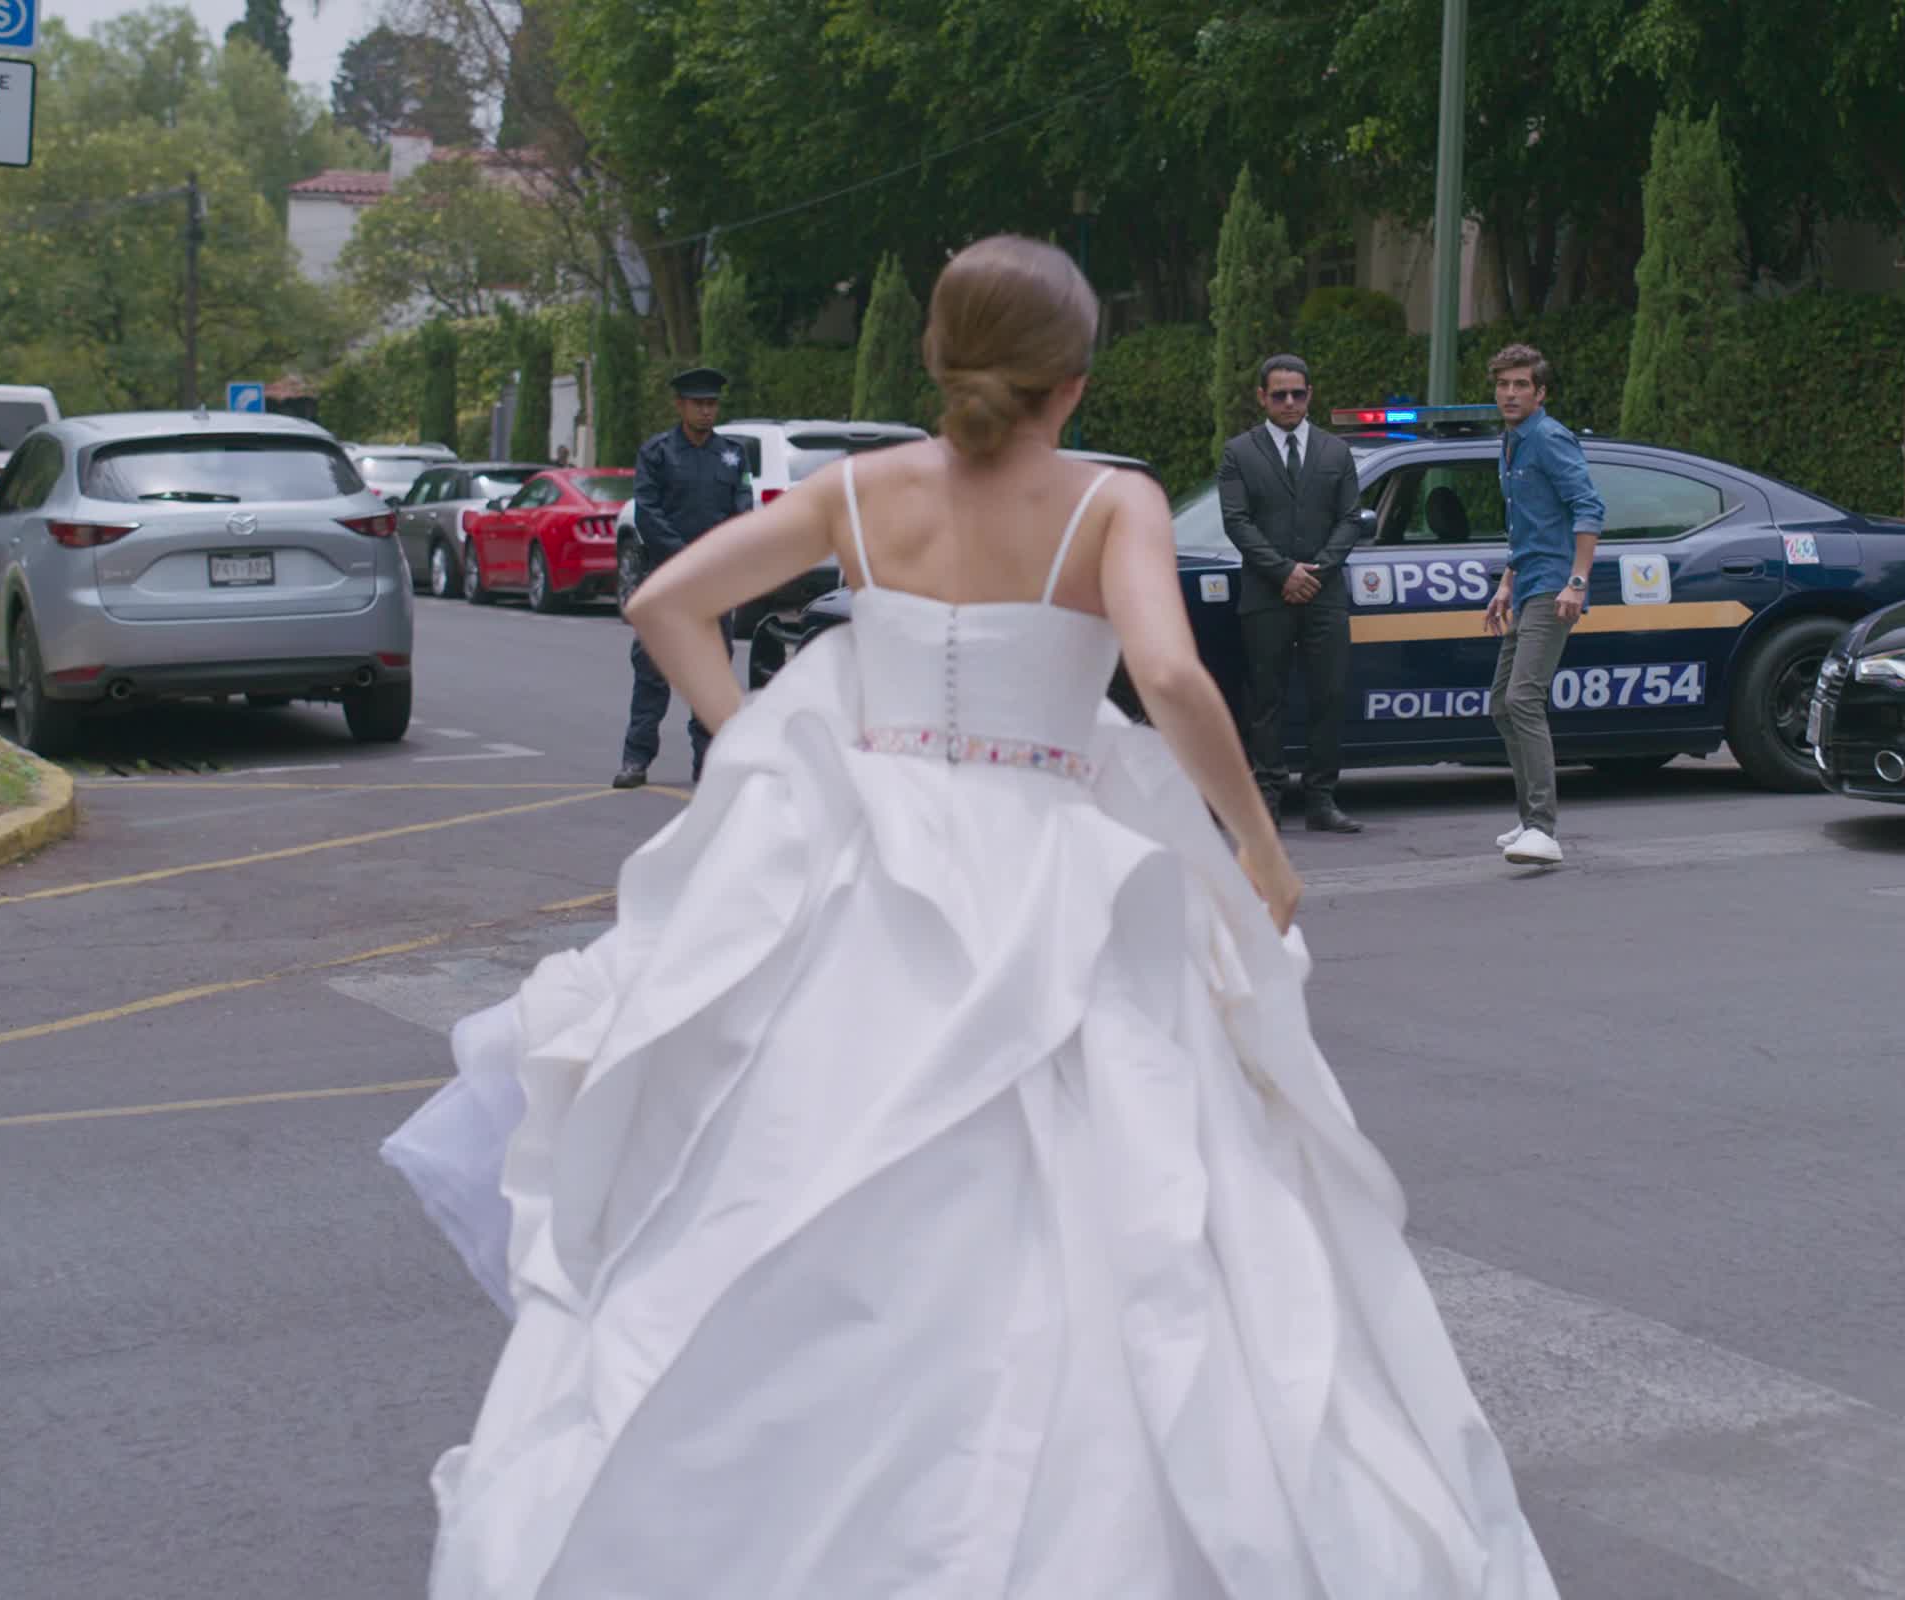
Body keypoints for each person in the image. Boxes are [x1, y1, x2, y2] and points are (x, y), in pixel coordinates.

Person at [380, 236, 1561, 1600]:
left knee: (786, 1169)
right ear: (1074, 380)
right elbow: (1172, 679)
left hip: (862, 867)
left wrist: (761, 746)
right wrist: (1255, 841)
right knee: (1114, 1199)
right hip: (1051, 869)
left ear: (937, 361)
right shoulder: (1109, 499)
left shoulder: (859, 488)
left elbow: (664, 601)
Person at [1217, 353, 1367, 833]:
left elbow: (1350, 519)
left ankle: (1322, 799)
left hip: (1325, 592)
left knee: (1330, 694)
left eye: (1297, 393)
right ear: (1262, 397)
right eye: (1279, 394)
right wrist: (1284, 572)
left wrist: (1316, 571)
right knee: (1267, 699)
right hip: (1266, 593)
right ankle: (1267, 801)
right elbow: (1236, 521)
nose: (1289, 402)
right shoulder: (1239, 453)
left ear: (1309, 395)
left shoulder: (1335, 452)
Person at [1475, 343, 1601, 867]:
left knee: (1523, 699)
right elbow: (1528, 527)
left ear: (1540, 392)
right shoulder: (1510, 442)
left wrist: (1577, 582)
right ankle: (1529, 818)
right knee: (1501, 703)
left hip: (1553, 586)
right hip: (1528, 583)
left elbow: (1588, 508)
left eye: (1521, 384)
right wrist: (1506, 582)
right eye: (1503, 384)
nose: (1510, 393)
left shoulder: (1548, 438)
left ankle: (1544, 830)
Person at [616, 366, 750, 787]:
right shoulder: (657, 453)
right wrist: (687, 554)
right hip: (668, 578)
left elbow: (742, 509)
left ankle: (707, 762)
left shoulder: (732, 455)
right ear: (680, 405)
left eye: (712, 404)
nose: (706, 411)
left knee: (710, 672)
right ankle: (636, 759)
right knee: (651, 668)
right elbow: (647, 513)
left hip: (712, 582)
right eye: (698, 404)